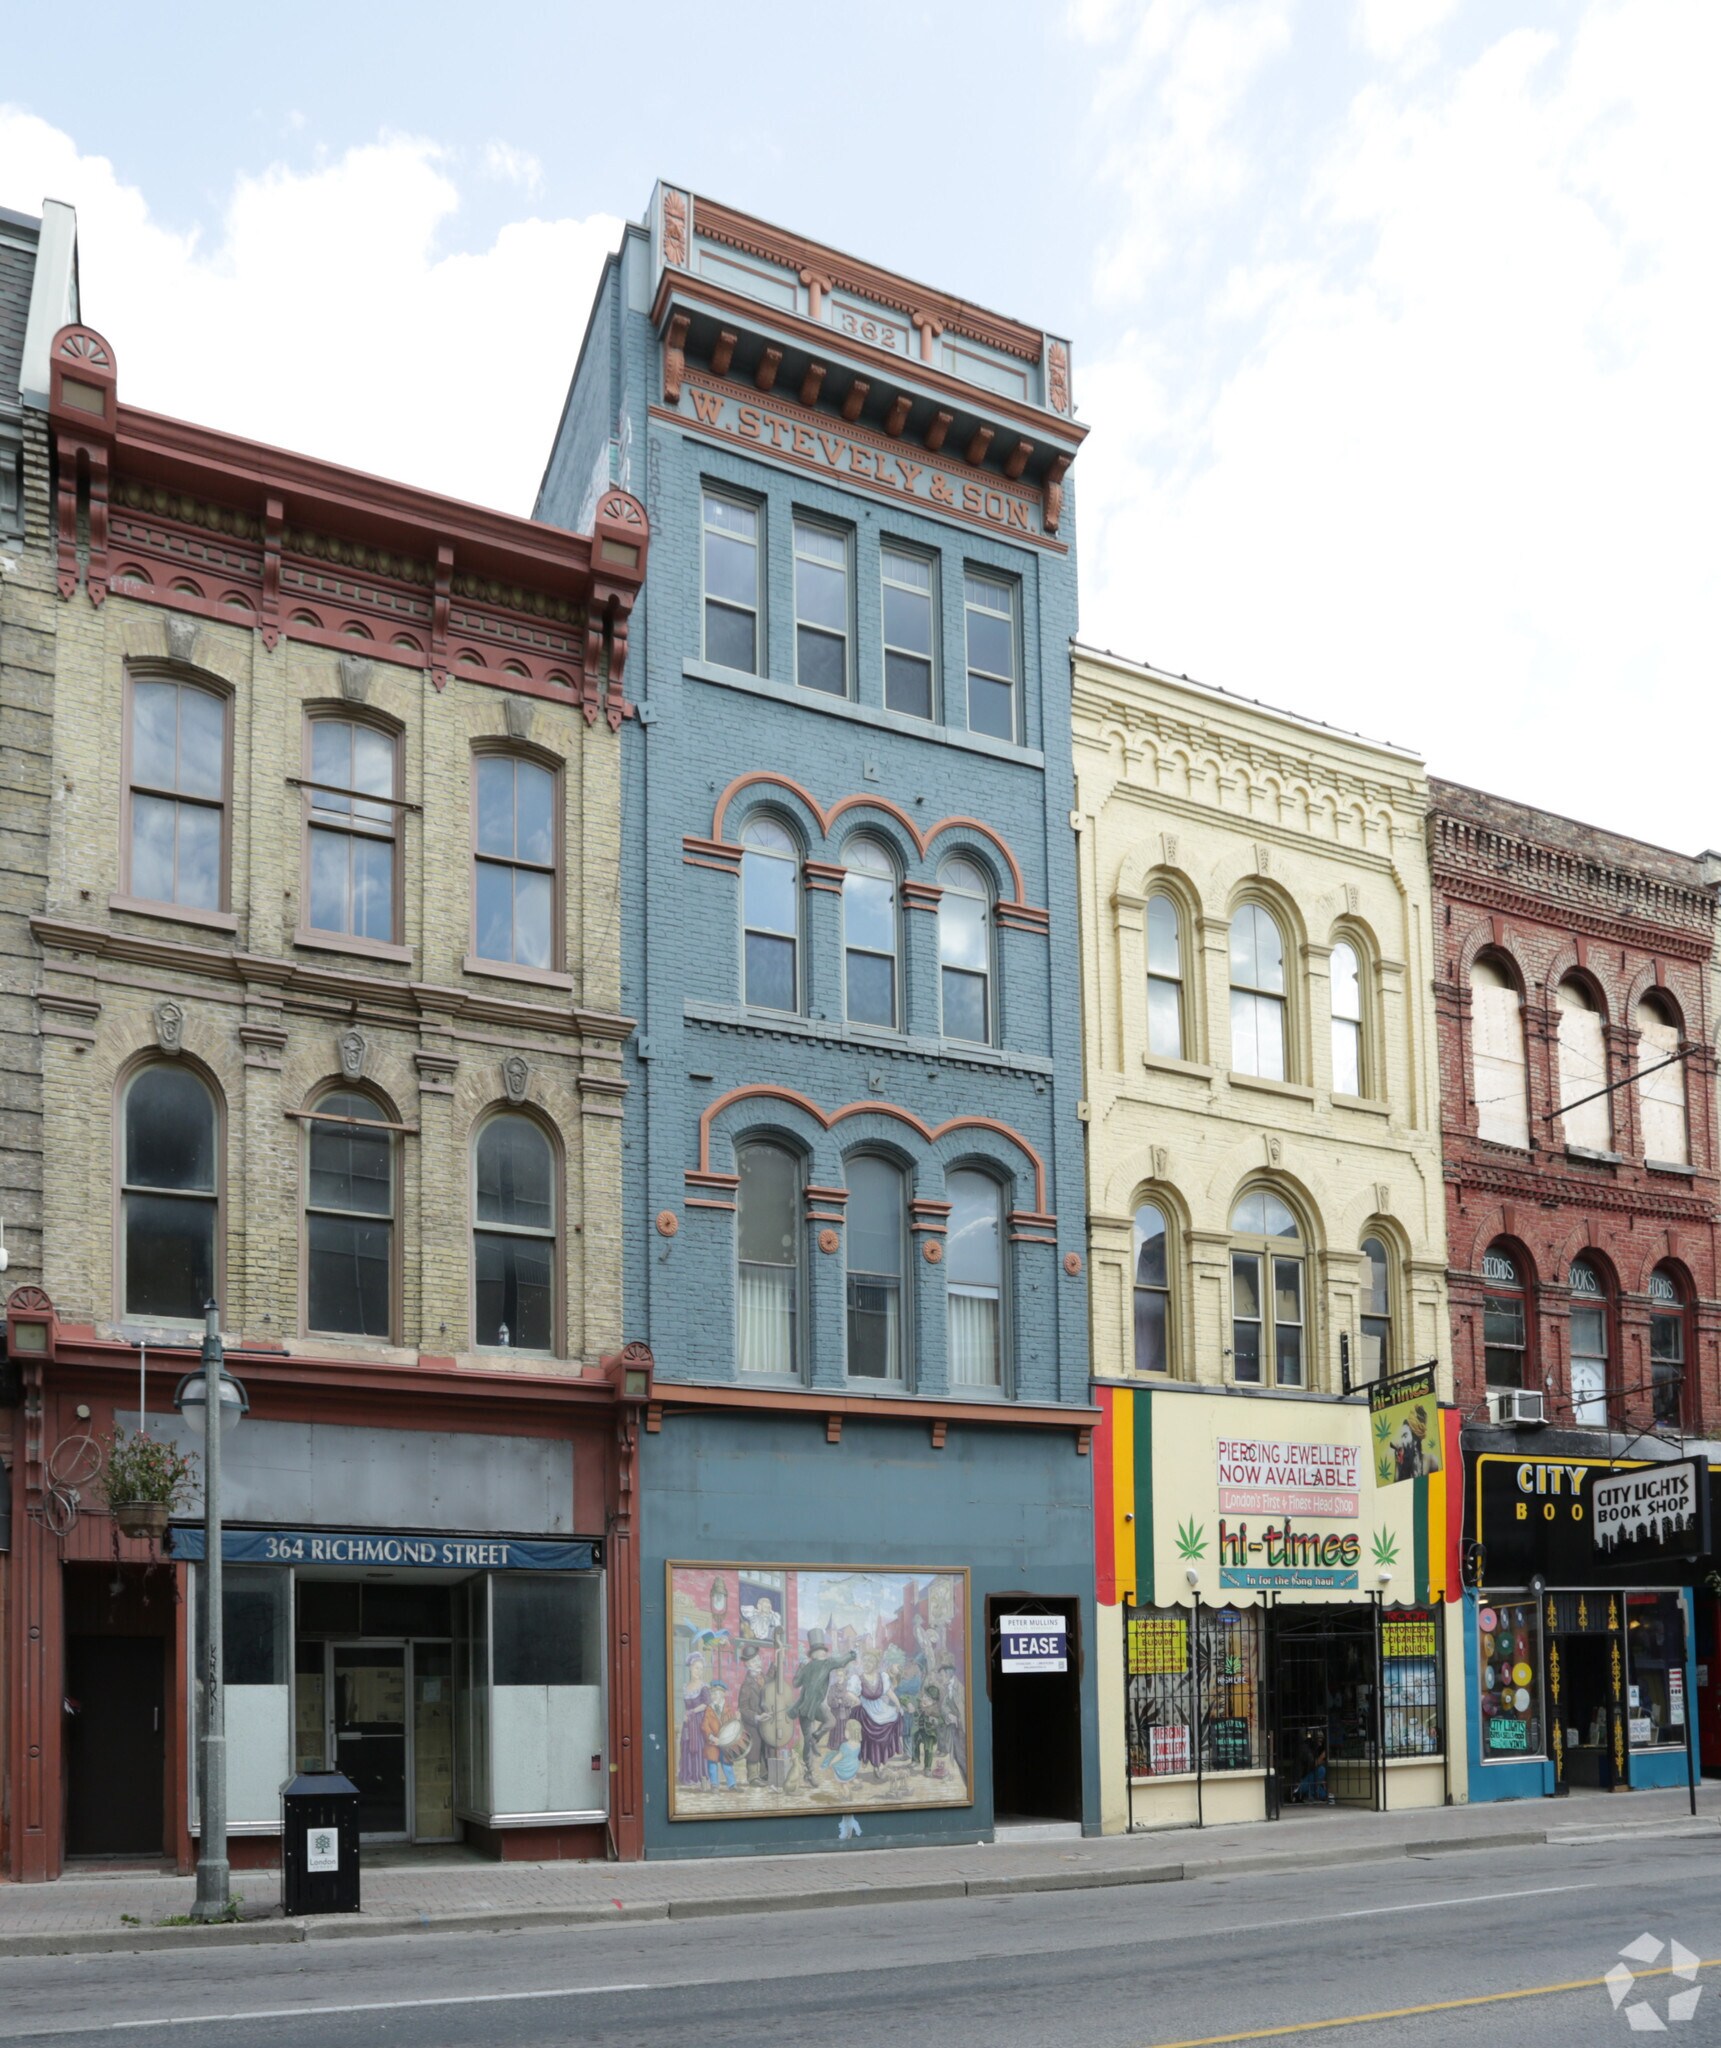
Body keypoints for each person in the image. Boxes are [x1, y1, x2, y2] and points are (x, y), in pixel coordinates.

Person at [791, 1628, 856, 1778]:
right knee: (807, 1741)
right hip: (804, 1706)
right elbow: (795, 1683)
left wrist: (851, 1656)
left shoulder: (827, 1663)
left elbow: (840, 1661)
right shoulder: (807, 1667)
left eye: (823, 1650)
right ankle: (809, 1772)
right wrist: (800, 1670)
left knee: (831, 1721)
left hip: (817, 1705)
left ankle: (816, 1738)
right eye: (819, 1651)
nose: (823, 1653)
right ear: (813, 1654)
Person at [855, 1648, 904, 1780]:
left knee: (892, 1721)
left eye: (870, 1662)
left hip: (879, 1708)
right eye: (865, 1661)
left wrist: (898, 1704)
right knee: (868, 1739)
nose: (866, 1664)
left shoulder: (882, 1677)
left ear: (876, 1664)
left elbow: (888, 1692)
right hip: (865, 1710)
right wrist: (855, 1700)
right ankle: (867, 1759)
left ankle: (878, 1764)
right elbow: (851, 1694)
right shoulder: (857, 1679)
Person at [736, 1643, 768, 1787]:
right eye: (754, 1661)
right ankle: (753, 1776)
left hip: (765, 1721)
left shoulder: (764, 1678)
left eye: (758, 1659)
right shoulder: (746, 1685)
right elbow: (743, 1708)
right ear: (748, 1664)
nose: (758, 1663)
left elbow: (772, 1679)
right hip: (752, 1723)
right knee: (755, 1747)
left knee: (765, 1746)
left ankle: (764, 1773)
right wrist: (756, 1717)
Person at [678, 1652, 711, 1788]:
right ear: (690, 1668)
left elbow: (706, 1703)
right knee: (686, 1745)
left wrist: (693, 1712)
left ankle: (698, 1776)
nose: (699, 1671)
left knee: (698, 1746)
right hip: (688, 1721)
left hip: (699, 1720)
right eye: (697, 1668)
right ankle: (688, 1776)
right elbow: (684, 1706)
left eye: (701, 1669)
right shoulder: (685, 1687)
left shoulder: (703, 1687)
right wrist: (685, 1715)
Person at [702, 1681, 737, 1791]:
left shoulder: (728, 1709)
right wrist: (712, 1737)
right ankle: (714, 1785)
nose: (714, 1696)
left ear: (723, 1694)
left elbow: (732, 1723)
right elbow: (704, 1725)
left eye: (716, 1694)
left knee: (727, 1764)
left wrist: (727, 1737)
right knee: (712, 1763)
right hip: (712, 1742)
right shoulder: (709, 1709)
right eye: (712, 1694)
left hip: (725, 1743)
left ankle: (732, 1784)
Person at [1291, 1726, 1330, 1804]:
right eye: (1319, 1741)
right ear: (1313, 1740)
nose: (1320, 1744)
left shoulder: (1312, 1749)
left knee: (1324, 1795)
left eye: (1321, 1741)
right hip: (1299, 1784)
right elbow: (1313, 1764)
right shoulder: (1305, 1749)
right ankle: (1303, 1795)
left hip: (1307, 1781)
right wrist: (1322, 1756)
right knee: (1321, 1770)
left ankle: (1307, 1795)